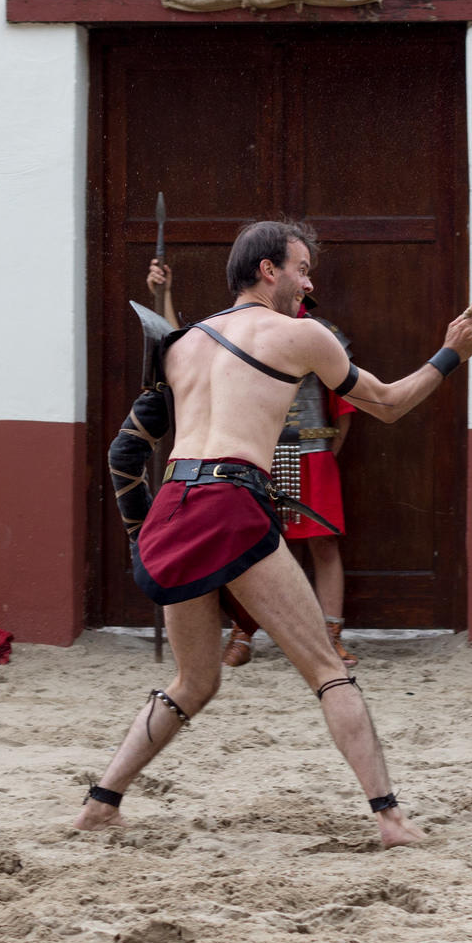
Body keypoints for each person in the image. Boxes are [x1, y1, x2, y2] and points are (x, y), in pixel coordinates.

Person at [83, 219, 472, 848]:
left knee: (195, 681)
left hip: (174, 505)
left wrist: (139, 532)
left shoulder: (182, 344)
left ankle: (101, 803)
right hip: (229, 503)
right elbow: (387, 403)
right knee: (327, 669)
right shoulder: (303, 336)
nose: (309, 282)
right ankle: (391, 819)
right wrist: (452, 352)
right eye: (301, 269)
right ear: (268, 270)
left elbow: (126, 451)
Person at [147, 258, 361, 668]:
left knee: (324, 542)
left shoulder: (318, 335)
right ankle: (243, 632)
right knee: (246, 547)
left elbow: (346, 405)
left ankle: (330, 633)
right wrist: (164, 295)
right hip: (252, 457)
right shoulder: (244, 331)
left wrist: (328, 454)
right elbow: (186, 346)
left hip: (311, 452)